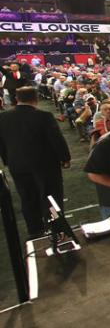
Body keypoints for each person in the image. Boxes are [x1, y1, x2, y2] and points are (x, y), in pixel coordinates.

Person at [0, 87, 71, 238]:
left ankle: (35, 231)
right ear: (36, 98)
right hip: (45, 165)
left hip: (17, 165)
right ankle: (57, 229)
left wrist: (8, 160)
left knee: (27, 197)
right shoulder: (43, 116)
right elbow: (56, 139)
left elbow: (2, 143)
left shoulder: (3, 118)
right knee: (51, 197)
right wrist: (65, 158)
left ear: (16, 99)